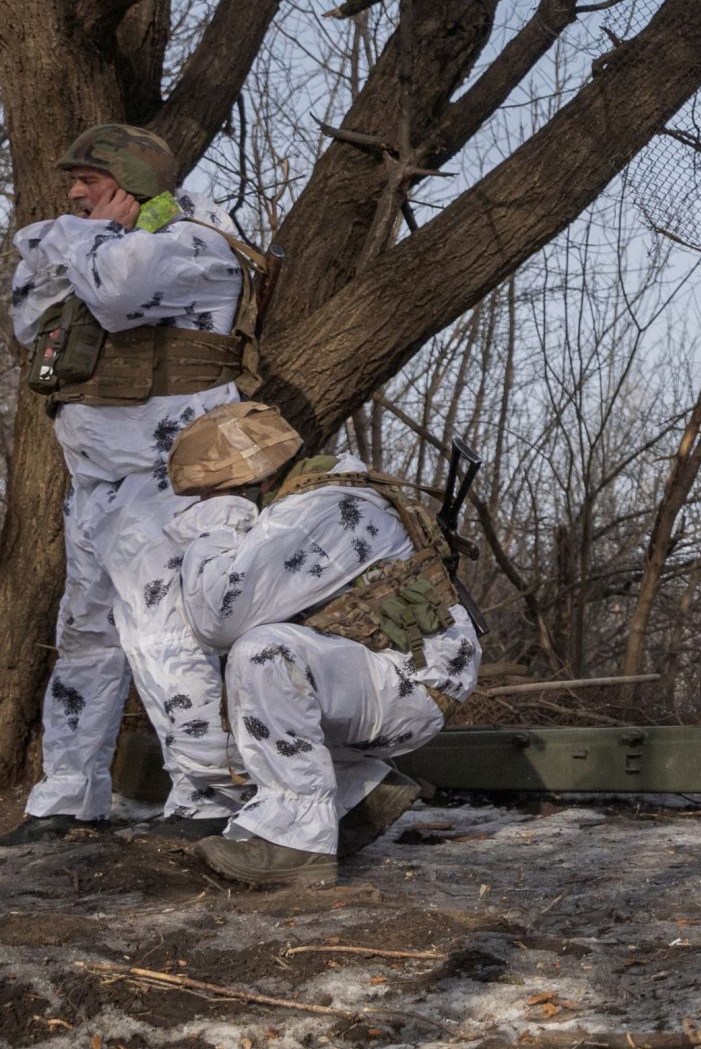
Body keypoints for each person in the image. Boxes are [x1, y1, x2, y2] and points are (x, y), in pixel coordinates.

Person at [0, 125, 268, 845]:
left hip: (171, 480)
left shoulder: (195, 245)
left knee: (163, 632)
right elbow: (28, 312)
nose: (73, 195)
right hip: (95, 485)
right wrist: (82, 240)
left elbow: (118, 294)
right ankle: (69, 794)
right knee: (85, 637)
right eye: (73, 184)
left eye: (89, 181)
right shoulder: (107, 246)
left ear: (133, 182)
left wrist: (74, 238)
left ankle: (207, 792)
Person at [162, 402, 482, 887]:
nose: (203, 502)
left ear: (247, 482)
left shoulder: (313, 513)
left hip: (407, 687)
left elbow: (216, 620)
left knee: (264, 653)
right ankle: (360, 793)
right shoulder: (331, 493)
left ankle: (295, 843)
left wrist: (217, 524)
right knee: (266, 664)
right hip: (405, 678)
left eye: (209, 492)